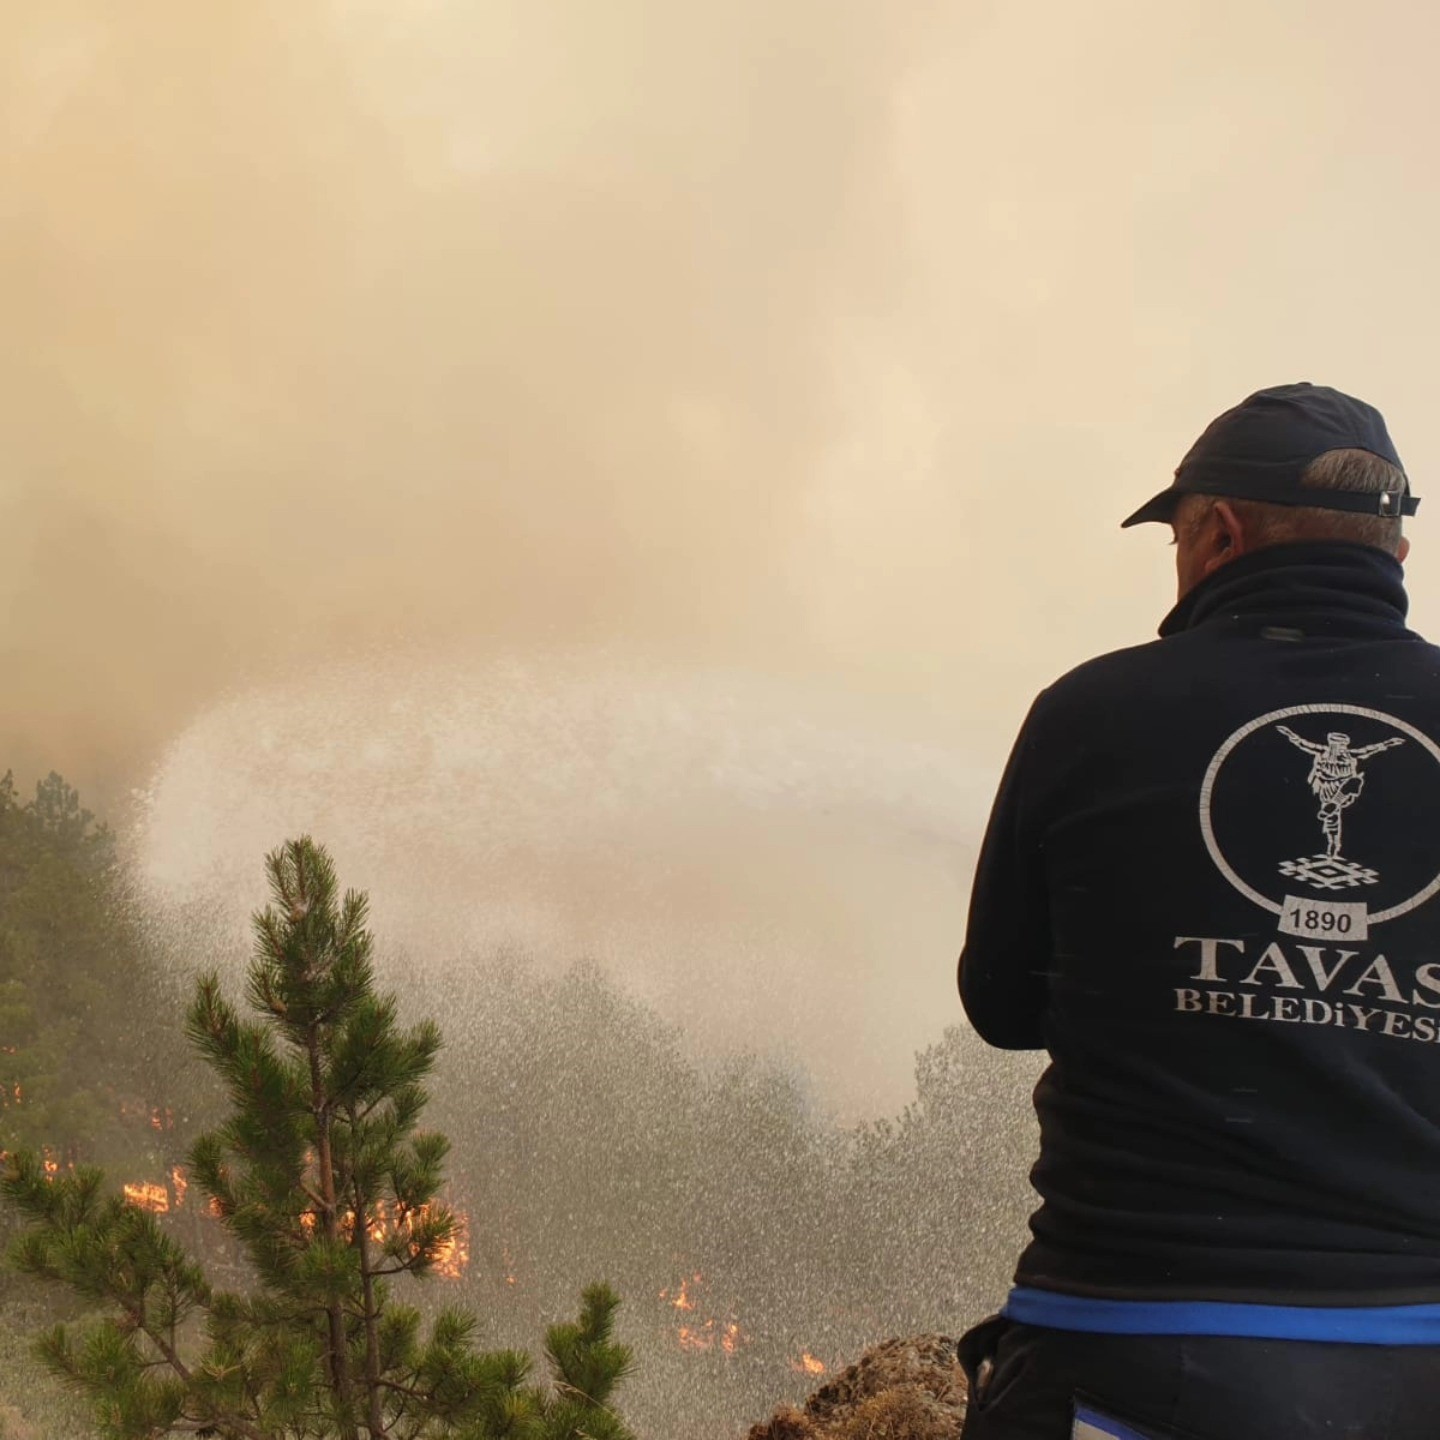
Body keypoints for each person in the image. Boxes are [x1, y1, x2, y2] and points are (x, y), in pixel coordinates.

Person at [956, 382, 1440, 1440]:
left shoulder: (1095, 711)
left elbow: (1000, 1003)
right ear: (1392, 556)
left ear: (1217, 533)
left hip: (1132, 1354)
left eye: (1175, 538)